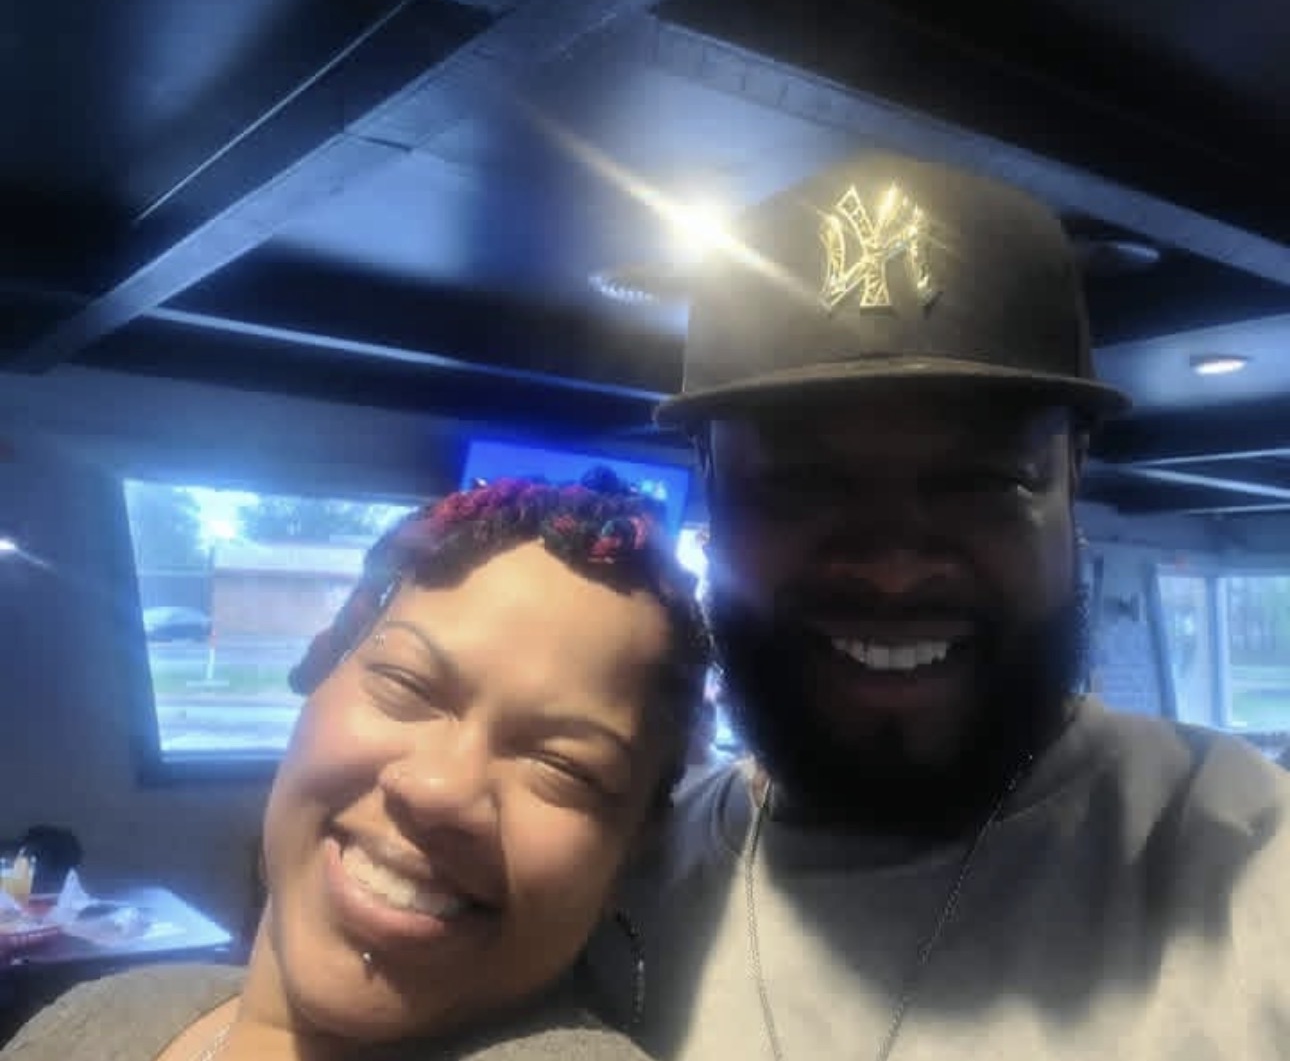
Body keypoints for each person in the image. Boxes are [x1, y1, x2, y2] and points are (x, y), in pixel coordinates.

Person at [584, 153, 1290, 1059]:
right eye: (801, 483)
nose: (891, 571)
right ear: (710, 483)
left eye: (982, 482)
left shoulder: (1248, 864)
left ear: (1073, 477)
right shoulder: (604, 895)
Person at [3, 471, 708, 1060]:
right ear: (319, 672)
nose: (441, 789)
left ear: (632, 853)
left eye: (563, 765)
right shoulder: (103, 1016)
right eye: (406, 685)